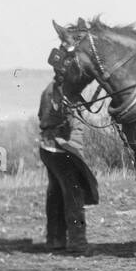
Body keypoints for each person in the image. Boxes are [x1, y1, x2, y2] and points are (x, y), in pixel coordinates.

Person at [38, 81, 99, 253]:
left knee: (56, 193)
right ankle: (77, 242)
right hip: (62, 149)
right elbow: (69, 123)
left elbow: (41, 116)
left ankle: (54, 240)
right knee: (74, 194)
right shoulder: (66, 91)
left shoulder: (48, 88)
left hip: (47, 147)